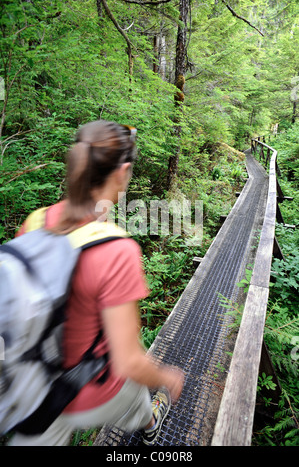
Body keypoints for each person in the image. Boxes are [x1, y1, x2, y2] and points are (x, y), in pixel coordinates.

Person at [9, 120, 184, 446]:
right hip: (92, 393)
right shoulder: (118, 251)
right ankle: (150, 423)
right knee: (137, 397)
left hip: (33, 387)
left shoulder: (35, 222)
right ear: (123, 171)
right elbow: (128, 361)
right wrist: (166, 378)